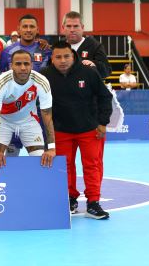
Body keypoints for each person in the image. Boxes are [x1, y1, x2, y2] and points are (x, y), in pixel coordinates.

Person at [40, 41, 113, 220]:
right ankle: (70, 199)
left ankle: (93, 203)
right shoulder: (44, 76)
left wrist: (103, 122)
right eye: (58, 57)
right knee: (65, 167)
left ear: (73, 56)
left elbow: (105, 97)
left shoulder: (89, 73)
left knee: (92, 165)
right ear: (52, 58)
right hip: (61, 130)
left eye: (66, 56)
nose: (63, 60)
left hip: (89, 129)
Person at [0, 50, 55, 168]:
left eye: (26, 64)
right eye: (18, 64)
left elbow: (47, 116)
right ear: (11, 66)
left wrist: (51, 148)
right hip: (4, 122)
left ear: (32, 65)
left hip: (28, 121)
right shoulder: (0, 83)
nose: (23, 68)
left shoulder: (41, 81)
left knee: (41, 158)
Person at [62, 11, 112, 78]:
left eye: (76, 26)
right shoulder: (59, 47)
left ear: (82, 27)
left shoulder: (95, 46)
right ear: (63, 28)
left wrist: (94, 65)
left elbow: (107, 71)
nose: (72, 30)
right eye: (68, 26)